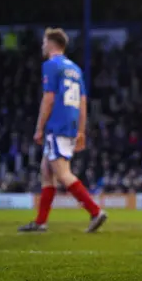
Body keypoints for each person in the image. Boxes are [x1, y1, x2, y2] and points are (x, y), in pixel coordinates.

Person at [18, 28, 107, 233]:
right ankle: (41, 221)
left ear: (51, 43)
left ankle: (95, 212)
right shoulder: (75, 69)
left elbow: (48, 98)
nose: (42, 46)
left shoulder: (51, 65)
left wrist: (39, 127)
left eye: (44, 42)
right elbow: (83, 102)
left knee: (62, 173)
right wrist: (81, 131)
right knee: (46, 171)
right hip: (71, 124)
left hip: (56, 125)